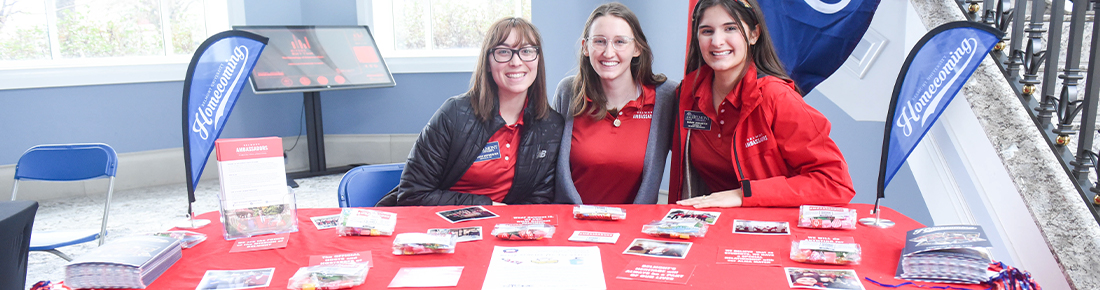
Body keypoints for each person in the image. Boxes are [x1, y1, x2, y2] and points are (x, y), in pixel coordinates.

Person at [672, 0, 855, 208]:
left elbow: (835, 182)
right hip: (704, 225)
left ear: (754, 34)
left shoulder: (776, 97)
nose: (717, 41)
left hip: (769, 228)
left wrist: (743, 195)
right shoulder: (686, 94)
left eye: (730, 28)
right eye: (707, 31)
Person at [376, 17, 563, 206]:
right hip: (442, 226)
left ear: (538, 60)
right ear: (488, 63)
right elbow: (413, 194)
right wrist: (487, 207)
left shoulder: (551, 125)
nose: (516, 61)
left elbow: (539, 200)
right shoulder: (454, 115)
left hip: (503, 230)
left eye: (527, 51)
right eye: (503, 52)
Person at [552, 2, 678, 204]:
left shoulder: (666, 97)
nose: (608, 52)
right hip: (574, 228)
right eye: (599, 41)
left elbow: (693, 159)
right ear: (585, 47)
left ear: (637, 48)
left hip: (636, 231)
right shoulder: (568, 92)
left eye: (620, 42)